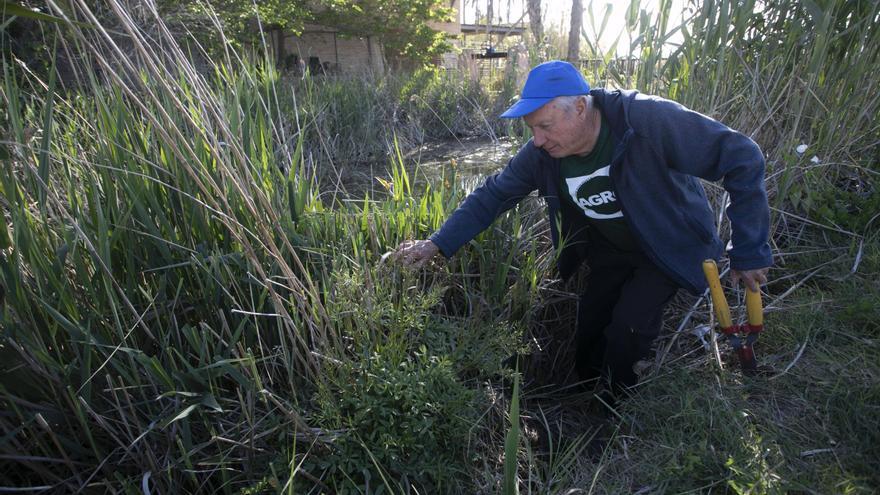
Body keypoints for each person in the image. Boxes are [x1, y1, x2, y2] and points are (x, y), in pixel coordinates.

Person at [394, 60, 771, 393]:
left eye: (544, 126)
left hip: (668, 243)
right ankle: (588, 396)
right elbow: (493, 196)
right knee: (590, 326)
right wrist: (437, 244)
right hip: (610, 248)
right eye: (531, 130)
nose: (537, 140)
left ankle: (616, 410)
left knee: (628, 328)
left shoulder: (645, 120)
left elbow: (742, 157)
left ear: (579, 106)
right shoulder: (542, 154)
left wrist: (749, 249)